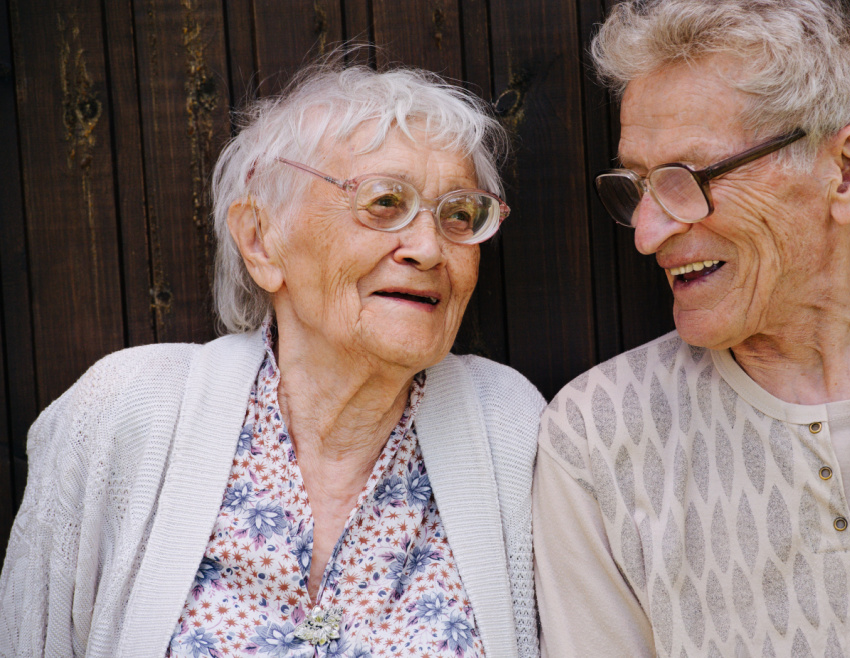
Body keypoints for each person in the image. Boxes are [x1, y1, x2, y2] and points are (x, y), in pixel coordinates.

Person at [1, 56, 544, 658]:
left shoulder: (509, 425)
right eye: (385, 202)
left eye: (459, 215)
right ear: (261, 240)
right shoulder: (125, 411)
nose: (428, 248)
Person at [533, 0, 850, 655]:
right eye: (637, 185)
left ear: (847, 171)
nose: (646, 233)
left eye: (685, 178)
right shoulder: (600, 433)